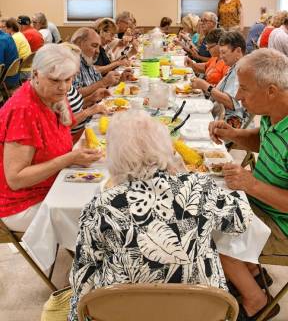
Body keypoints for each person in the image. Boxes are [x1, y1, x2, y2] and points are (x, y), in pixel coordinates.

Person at [68, 109, 252, 321]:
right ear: (167, 148)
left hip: (123, 313)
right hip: (199, 313)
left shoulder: (99, 206)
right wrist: (185, 175)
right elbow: (241, 221)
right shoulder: (198, 189)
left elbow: (83, 278)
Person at [209, 48, 288, 320]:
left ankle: (257, 301)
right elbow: (263, 139)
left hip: (283, 223)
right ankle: (252, 271)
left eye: (244, 88)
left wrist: (251, 185)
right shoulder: (273, 113)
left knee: (212, 231)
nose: (239, 96)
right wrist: (233, 134)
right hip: (263, 204)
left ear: (271, 91)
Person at [0, 44, 102, 232]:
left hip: (51, 184)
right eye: (55, 80)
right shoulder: (24, 110)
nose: (63, 87)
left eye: (68, 79)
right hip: (20, 203)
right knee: (99, 220)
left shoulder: (53, 97)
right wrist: (69, 158)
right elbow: (15, 179)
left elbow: (53, 131)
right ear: (36, 74)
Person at [191, 31, 246, 127]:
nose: (221, 56)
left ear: (238, 51)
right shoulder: (234, 66)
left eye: (224, 52)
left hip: (229, 124)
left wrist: (206, 86)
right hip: (219, 115)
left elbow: (233, 104)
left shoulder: (242, 71)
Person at [70, 27, 132, 101]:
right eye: (94, 46)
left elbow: (100, 86)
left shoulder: (88, 61)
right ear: (79, 44)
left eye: (99, 47)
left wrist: (119, 80)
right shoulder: (71, 64)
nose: (98, 51)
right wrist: (103, 82)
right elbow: (74, 95)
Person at [4, 17, 32, 82]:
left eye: (5, 27)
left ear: (10, 28)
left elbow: (11, 56)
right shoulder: (20, 34)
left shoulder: (14, 38)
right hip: (28, 69)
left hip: (22, 72)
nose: (4, 30)